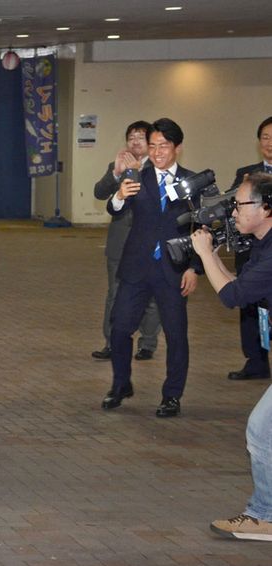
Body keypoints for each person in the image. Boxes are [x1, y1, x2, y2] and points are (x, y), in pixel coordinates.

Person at [191, 172, 272, 541]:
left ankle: (264, 516)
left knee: (261, 429)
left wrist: (206, 254)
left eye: (240, 204)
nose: (234, 211)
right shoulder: (262, 243)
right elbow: (238, 288)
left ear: (266, 208)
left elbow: (229, 298)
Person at [101, 118, 200, 417]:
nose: (157, 152)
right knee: (119, 330)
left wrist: (194, 268)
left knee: (175, 335)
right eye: (153, 145)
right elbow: (114, 208)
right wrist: (118, 196)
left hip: (173, 270)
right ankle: (121, 384)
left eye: (164, 146)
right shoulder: (138, 177)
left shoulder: (193, 182)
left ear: (177, 148)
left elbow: (203, 228)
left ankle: (172, 395)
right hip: (136, 268)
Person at [92, 120, 162, 362]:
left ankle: (148, 343)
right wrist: (116, 173)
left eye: (140, 137)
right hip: (120, 241)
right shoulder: (117, 165)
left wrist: (137, 172)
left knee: (151, 296)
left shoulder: (159, 167)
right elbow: (99, 192)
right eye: (131, 137)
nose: (134, 142)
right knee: (115, 293)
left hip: (149, 242)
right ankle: (112, 342)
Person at [227, 116, 272, 381]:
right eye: (265, 137)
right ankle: (255, 361)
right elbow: (234, 204)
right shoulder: (246, 172)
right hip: (250, 250)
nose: (269, 143)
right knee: (248, 306)